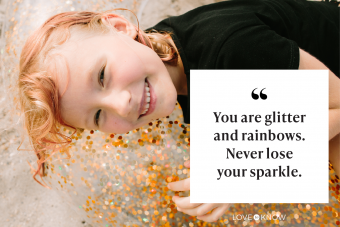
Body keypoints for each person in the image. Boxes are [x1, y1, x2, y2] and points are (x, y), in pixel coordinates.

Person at [17, 0, 339, 224]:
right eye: (98, 116)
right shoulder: (156, 55)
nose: (121, 105)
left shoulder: (230, 48)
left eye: (102, 76)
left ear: (119, 26)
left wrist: (243, 166)